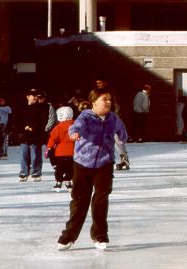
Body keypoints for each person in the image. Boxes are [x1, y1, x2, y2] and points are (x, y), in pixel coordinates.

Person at [56, 87, 128, 251]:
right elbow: (76, 127)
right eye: (105, 99)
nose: (108, 102)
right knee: (80, 201)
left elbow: (123, 133)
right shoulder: (86, 117)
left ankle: (100, 234)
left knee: (101, 200)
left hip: (104, 163)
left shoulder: (113, 118)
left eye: (110, 99)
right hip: (83, 163)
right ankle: (69, 236)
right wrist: (74, 133)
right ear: (94, 102)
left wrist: (121, 137)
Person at [18, 89, 48, 182]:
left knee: (35, 154)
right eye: (33, 95)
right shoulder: (22, 107)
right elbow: (17, 120)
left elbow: (42, 121)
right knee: (24, 154)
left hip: (36, 135)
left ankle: (36, 172)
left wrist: (33, 127)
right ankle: (24, 172)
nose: (35, 97)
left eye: (36, 96)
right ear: (27, 96)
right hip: (24, 135)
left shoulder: (41, 108)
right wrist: (23, 127)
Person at [46, 106, 75, 192]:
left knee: (60, 168)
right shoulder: (75, 125)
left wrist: (49, 148)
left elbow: (53, 139)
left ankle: (59, 182)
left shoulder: (58, 127)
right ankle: (68, 180)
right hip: (73, 152)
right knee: (71, 168)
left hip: (60, 152)